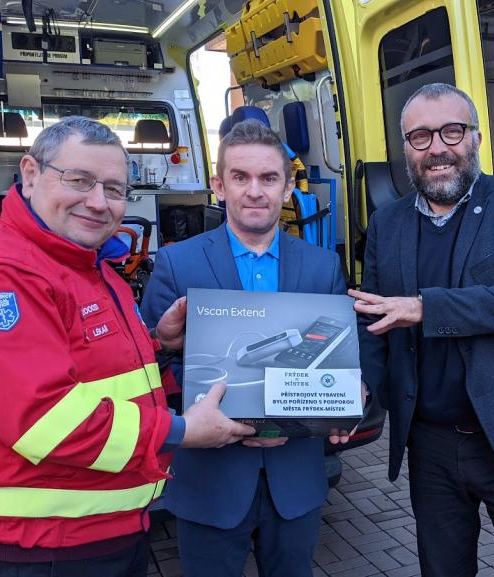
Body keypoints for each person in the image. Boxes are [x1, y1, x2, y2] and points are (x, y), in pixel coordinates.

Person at [0, 116, 255, 577]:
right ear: (30, 174)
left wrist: (160, 344)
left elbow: (98, 373)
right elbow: (47, 421)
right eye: (79, 180)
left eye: (115, 189)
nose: (98, 202)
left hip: (101, 534)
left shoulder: (85, 266)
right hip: (40, 549)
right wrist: (182, 431)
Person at [351, 83, 494, 577]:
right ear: (406, 148)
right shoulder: (388, 223)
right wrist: (359, 388)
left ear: (476, 137)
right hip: (430, 445)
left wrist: (425, 308)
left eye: (452, 131)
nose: (437, 147)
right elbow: (372, 319)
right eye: (420, 136)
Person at [141, 119, 355, 577]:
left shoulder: (322, 267)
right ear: (219, 185)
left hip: (294, 481)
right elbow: (143, 366)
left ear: (287, 187)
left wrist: (353, 394)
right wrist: (161, 343)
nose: (255, 191)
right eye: (240, 177)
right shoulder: (178, 263)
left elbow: (344, 354)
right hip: (210, 483)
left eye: (268, 178)